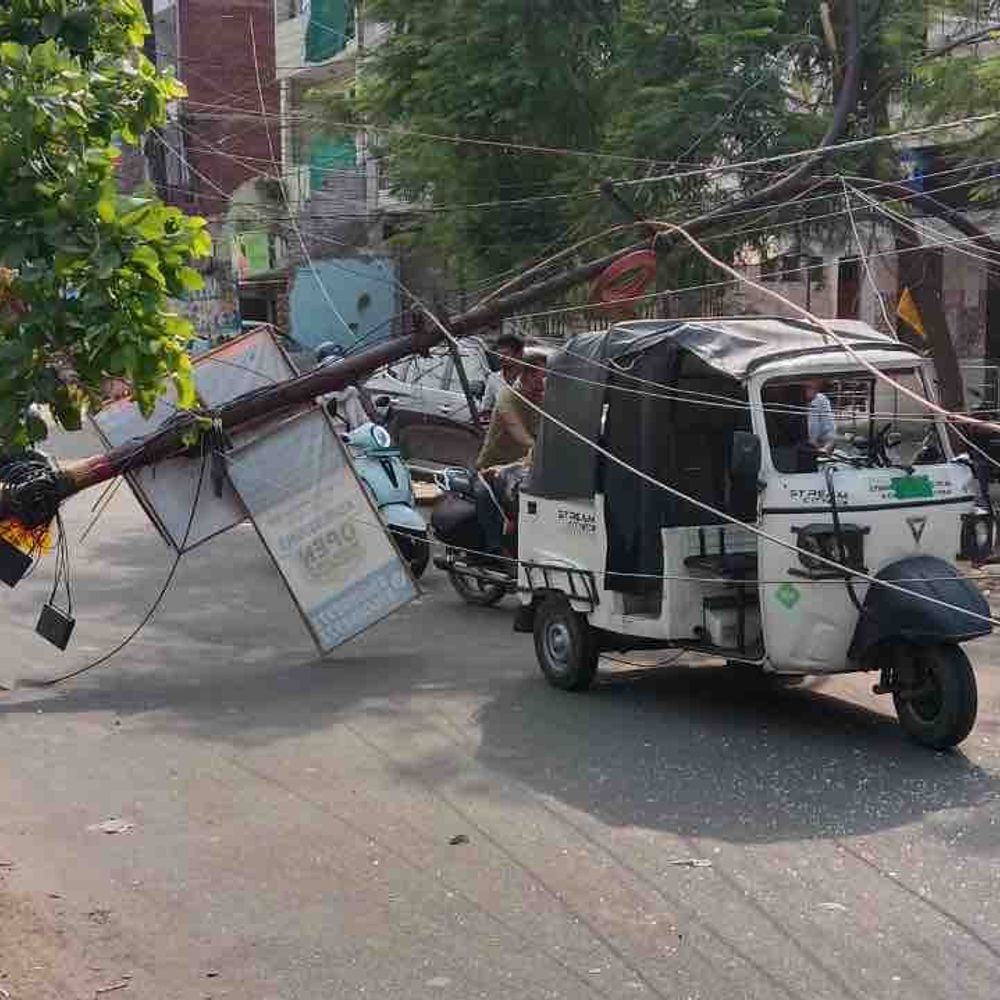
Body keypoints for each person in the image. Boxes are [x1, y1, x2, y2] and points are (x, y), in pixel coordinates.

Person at [475, 354, 545, 470]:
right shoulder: (507, 397)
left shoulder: (544, 401)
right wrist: (540, 451)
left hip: (522, 469)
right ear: (524, 375)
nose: (542, 384)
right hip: (491, 468)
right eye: (537, 376)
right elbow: (518, 431)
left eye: (545, 377)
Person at [481, 332, 526, 413]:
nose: (500, 358)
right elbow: (486, 408)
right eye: (499, 354)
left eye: (506, 354)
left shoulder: (531, 378)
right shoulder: (493, 378)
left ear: (519, 354)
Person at [804, 378, 836, 453]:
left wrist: (826, 448)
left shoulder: (821, 400)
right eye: (808, 387)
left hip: (813, 452)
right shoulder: (786, 402)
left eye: (816, 388)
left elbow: (829, 433)